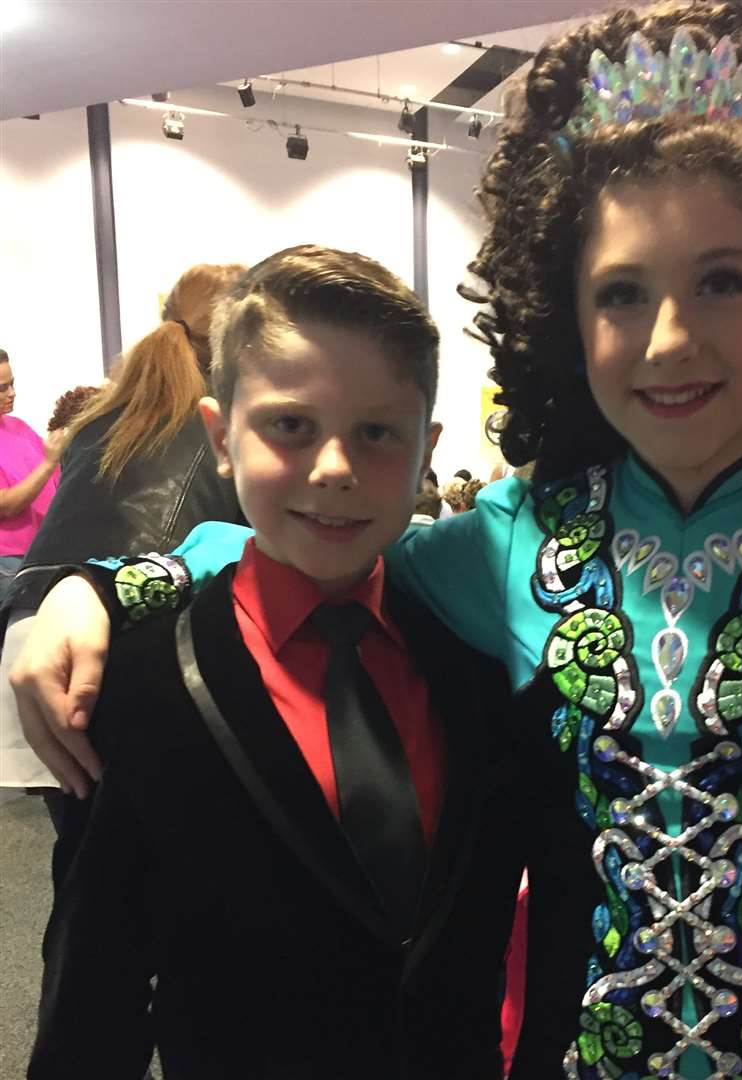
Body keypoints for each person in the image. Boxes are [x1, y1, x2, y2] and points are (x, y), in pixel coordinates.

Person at [10, 5, 742, 1078]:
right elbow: (315, 559)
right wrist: (100, 589)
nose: (670, 337)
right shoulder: (516, 540)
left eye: (723, 280)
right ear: (565, 316)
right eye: (623, 294)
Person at [25, 245, 524, 1079]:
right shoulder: (146, 681)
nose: (334, 469)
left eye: (376, 433)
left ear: (426, 447)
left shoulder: (476, 651)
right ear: (221, 437)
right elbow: (96, 981)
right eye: (291, 425)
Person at [0, 265, 246, 798]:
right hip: (127, 628)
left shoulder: (101, 415)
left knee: (83, 844)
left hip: (32, 624)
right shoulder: (225, 423)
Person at [0, 348, 62, 595]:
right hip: (8, 562)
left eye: (12, 384)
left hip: (41, 554)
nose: (12, 393)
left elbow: (58, 482)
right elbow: (6, 505)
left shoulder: (19, 428)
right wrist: (48, 464)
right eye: (2, 388)